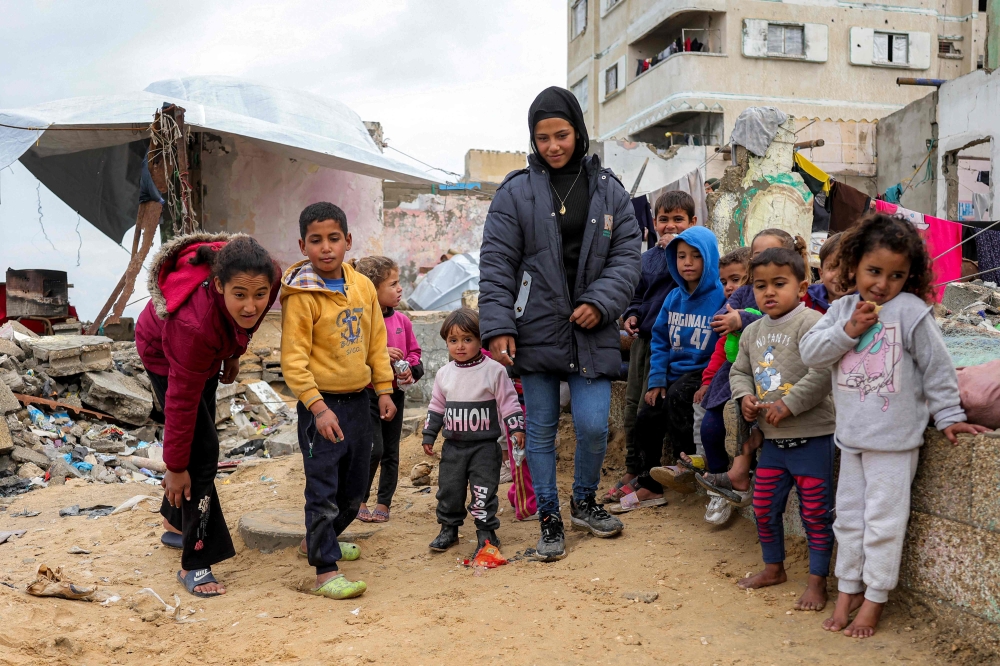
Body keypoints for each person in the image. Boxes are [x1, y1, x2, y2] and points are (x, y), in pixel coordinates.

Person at [800, 214, 989, 638]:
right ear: (853, 267)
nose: (882, 284)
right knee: (848, 519)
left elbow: (938, 369)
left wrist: (950, 418)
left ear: (911, 275)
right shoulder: (842, 309)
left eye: (896, 275)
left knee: (884, 522)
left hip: (894, 442)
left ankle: (875, 598)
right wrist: (848, 331)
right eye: (874, 271)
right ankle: (847, 588)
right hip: (852, 441)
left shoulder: (911, 312)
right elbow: (811, 352)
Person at [478, 86, 641, 561]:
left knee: (593, 426)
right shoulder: (515, 192)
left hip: (591, 329)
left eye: (562, 135)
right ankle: (550, 517)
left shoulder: (610, 190)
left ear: (579, 132)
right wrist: (499, 324)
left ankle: (584, 502)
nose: (553, 146)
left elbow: (628, 257)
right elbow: (497, 263)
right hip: (536, 329)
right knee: (542, 428)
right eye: (542, 137)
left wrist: (601, 302)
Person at [136, 233, 280, 597]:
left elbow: (252, 314)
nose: (251, 306)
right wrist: (174, 466)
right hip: (163, 352)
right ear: (218, 285)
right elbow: (180, 403)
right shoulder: (193, 327)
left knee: (201, 442)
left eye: (259, 295)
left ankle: (174, 522)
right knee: (200, 457)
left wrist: (234, 348)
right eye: (240, 295)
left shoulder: (269, 277)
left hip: (209, 346)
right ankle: (195, 562)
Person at [281, 202, 397, 600]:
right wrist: (317, 407)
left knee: (355, 487)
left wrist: (383, 388)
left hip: (358, 402)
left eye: (334, 238)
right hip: (322, 408)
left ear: (348, 241)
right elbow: (293, 362)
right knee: (323, 488)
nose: (326, 248)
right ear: (303, 244)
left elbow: (376, 342)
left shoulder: (361, 286)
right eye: (316, 240)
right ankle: (325, 571)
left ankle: (318, 541)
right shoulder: (301, 293)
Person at [728, 247, 837, 611]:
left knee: (816, 514)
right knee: (762, 507)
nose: (769, 292)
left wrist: (791, 403)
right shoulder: (751, 331)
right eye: (760, 286)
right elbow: (739, 371)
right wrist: (744, 396)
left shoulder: (813, 324)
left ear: (802, 287)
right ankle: (773, 568)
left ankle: (817, 582)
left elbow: (823, 371)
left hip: (813, 437)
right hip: (772, 442)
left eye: (779, 283)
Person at [679, 229, 810, 495]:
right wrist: (737, 316)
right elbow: (720, 318)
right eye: (756, 257)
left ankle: (739, 476)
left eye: (770, 254)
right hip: (735, 374)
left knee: (749, 428)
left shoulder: (799, 306)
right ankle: (718, 482)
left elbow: (774, 321)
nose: (762, 263)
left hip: (774, 378)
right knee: (711, 425)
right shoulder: (745, 292)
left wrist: (743, 318)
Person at [621, 226, 724, 511]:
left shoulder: (720, 298)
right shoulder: (673, 298)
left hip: (701, 373)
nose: (687, 263)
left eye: (695, 256)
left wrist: (707, 379)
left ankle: (686, 465)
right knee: (646, 415)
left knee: (679, 397)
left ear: (710, 258)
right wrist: (656, 380)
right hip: (672, 373)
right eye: (680, 256)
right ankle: (649, 485)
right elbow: (660, 339)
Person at [606, 190, 695, 503]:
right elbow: (637, 295)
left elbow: (690, 287)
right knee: (632, 406)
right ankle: (633, 469)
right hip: (644, 341)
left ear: (693, 222)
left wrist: (677, 254)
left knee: (650, 407)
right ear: (654, 223)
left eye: (678, 220)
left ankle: (650, 475)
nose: (670, 226)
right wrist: (631, 315)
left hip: (671, 343)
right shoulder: (647, 258)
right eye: (664, 220)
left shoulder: (691, 258)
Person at [422, 308, 525, 552]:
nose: (460, 346)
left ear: (480, 340)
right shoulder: (444, 374)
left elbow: (509, 402)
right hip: (453, 447)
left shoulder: (494, 371)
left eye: (467, 339)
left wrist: (516, 429)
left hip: (484, 447)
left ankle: (487, 534)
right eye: (453, 340)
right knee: (449, 490)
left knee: (483, 491)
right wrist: (429, 434)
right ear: (446, 341)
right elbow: (436, 406)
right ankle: (449, 530)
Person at [353, 256, 422, 524]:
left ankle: (384, 502)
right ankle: (359, 498)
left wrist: (410, 369)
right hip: (368, 393)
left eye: (399, 282)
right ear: (373, 289)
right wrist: (380, 353)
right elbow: (354, 354)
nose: (400, 288)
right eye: (393, 284)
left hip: (396, 393)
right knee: (374, 449)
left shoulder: (402, 321)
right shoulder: (360, 321)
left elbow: (415, 353)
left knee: (391, 451)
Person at [804, 232, 845, 313]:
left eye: (848, 268)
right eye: (832, 267)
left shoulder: (865, 306)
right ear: (821, 273)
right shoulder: (805, 300)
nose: (840, 274)